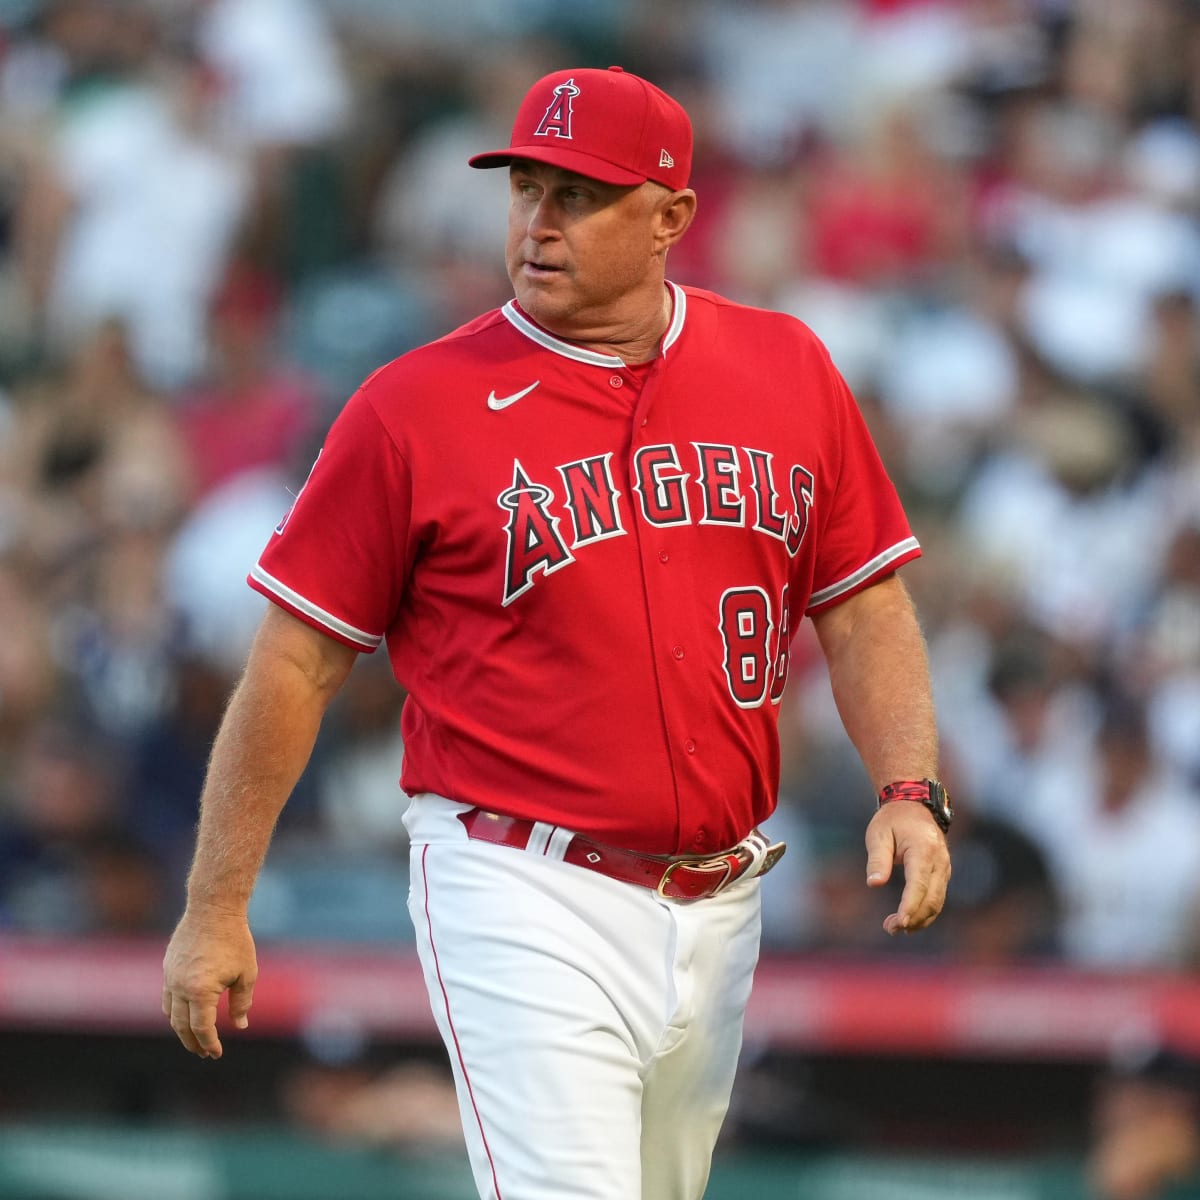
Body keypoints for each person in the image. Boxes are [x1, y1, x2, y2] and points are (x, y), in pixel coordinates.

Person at [162, 65, 953, 1200]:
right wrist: (215, 905)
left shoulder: (786, 367)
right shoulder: (412, 406)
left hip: (722, 897)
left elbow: (864, 600)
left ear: (672, 216)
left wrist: (908, 788)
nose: (539, 223)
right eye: (527, 188)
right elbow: (295, 659)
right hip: (516, 878)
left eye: (579, 196)